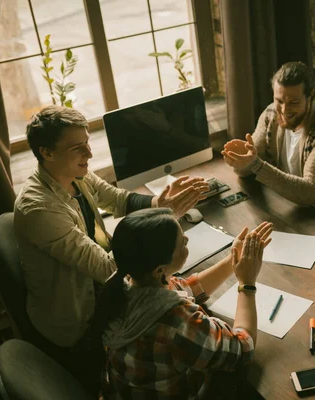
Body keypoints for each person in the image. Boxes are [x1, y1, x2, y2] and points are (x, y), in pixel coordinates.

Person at [13, 106, 208, 394]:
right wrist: (163, 223)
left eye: (88, 143)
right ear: (47, 153)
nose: (89, 154)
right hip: (81, 325)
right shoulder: (38, 208)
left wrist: (158, 204)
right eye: (78, 148)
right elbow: (105, 268)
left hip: (105, 293)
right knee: (180, 334)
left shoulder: (73, 173)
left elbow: (115, 198)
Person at [90, 208, 273, 399]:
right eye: (181, 243)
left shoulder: (124, 284)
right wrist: (247, 283)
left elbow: (188, 287)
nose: (187, 240)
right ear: (160, 270)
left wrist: (233, 260)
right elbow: (243, 348)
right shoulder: (177, 322)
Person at [221, 61, 315, 224]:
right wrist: (240, 161)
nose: (285, 110)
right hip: (287, 209)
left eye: (294, 102)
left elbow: (309, 193)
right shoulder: (271, 114)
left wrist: (255, 164)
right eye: (279, 101)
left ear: (311, 96)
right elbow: (248, 168)